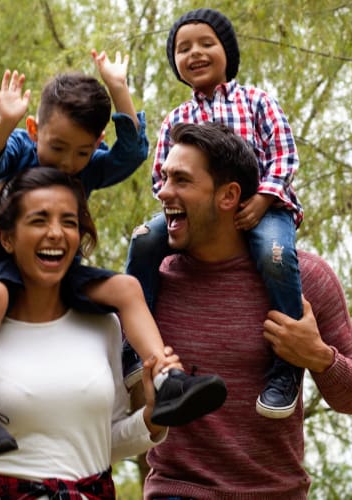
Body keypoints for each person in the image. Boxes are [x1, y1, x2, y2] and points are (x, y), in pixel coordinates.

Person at [0, 52, 225, 461]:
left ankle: (167, 377)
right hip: (2, 268)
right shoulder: (22, 147)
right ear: (35, 131)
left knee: (126, 287)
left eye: (81, 153)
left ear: (96, 145)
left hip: (62, 272)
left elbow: (132, 154)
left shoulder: (88, 167)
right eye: (58, 148)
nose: (67, 164)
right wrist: (6, 122)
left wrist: (119, 89)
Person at [141, 122, 352, 499]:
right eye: (165, 177)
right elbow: (115, 405)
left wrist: (319, 357)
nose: (163, 192)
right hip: (178, 489)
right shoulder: (151, 285)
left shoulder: (306, 279)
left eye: (181, 180)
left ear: (228, 195)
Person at [0, 167, 174, 498]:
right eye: (39, 220)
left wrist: (153, 417)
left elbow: (105, 443)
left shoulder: (104, 326)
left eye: (69, 222)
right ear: (7, 238)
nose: (56, 233)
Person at [126, 8, 306, 419]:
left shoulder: (256, 102)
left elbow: (283, 156)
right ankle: (133, 343)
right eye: (183, 48)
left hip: (264, 207)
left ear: (228, 51)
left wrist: (261, 198)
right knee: (144, 239)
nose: (195, 53)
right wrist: (176, 203)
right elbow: (161, 179)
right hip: (198, 213)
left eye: (206, 44)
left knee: (274, 255)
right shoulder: (176, 119)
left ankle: (287, 363)